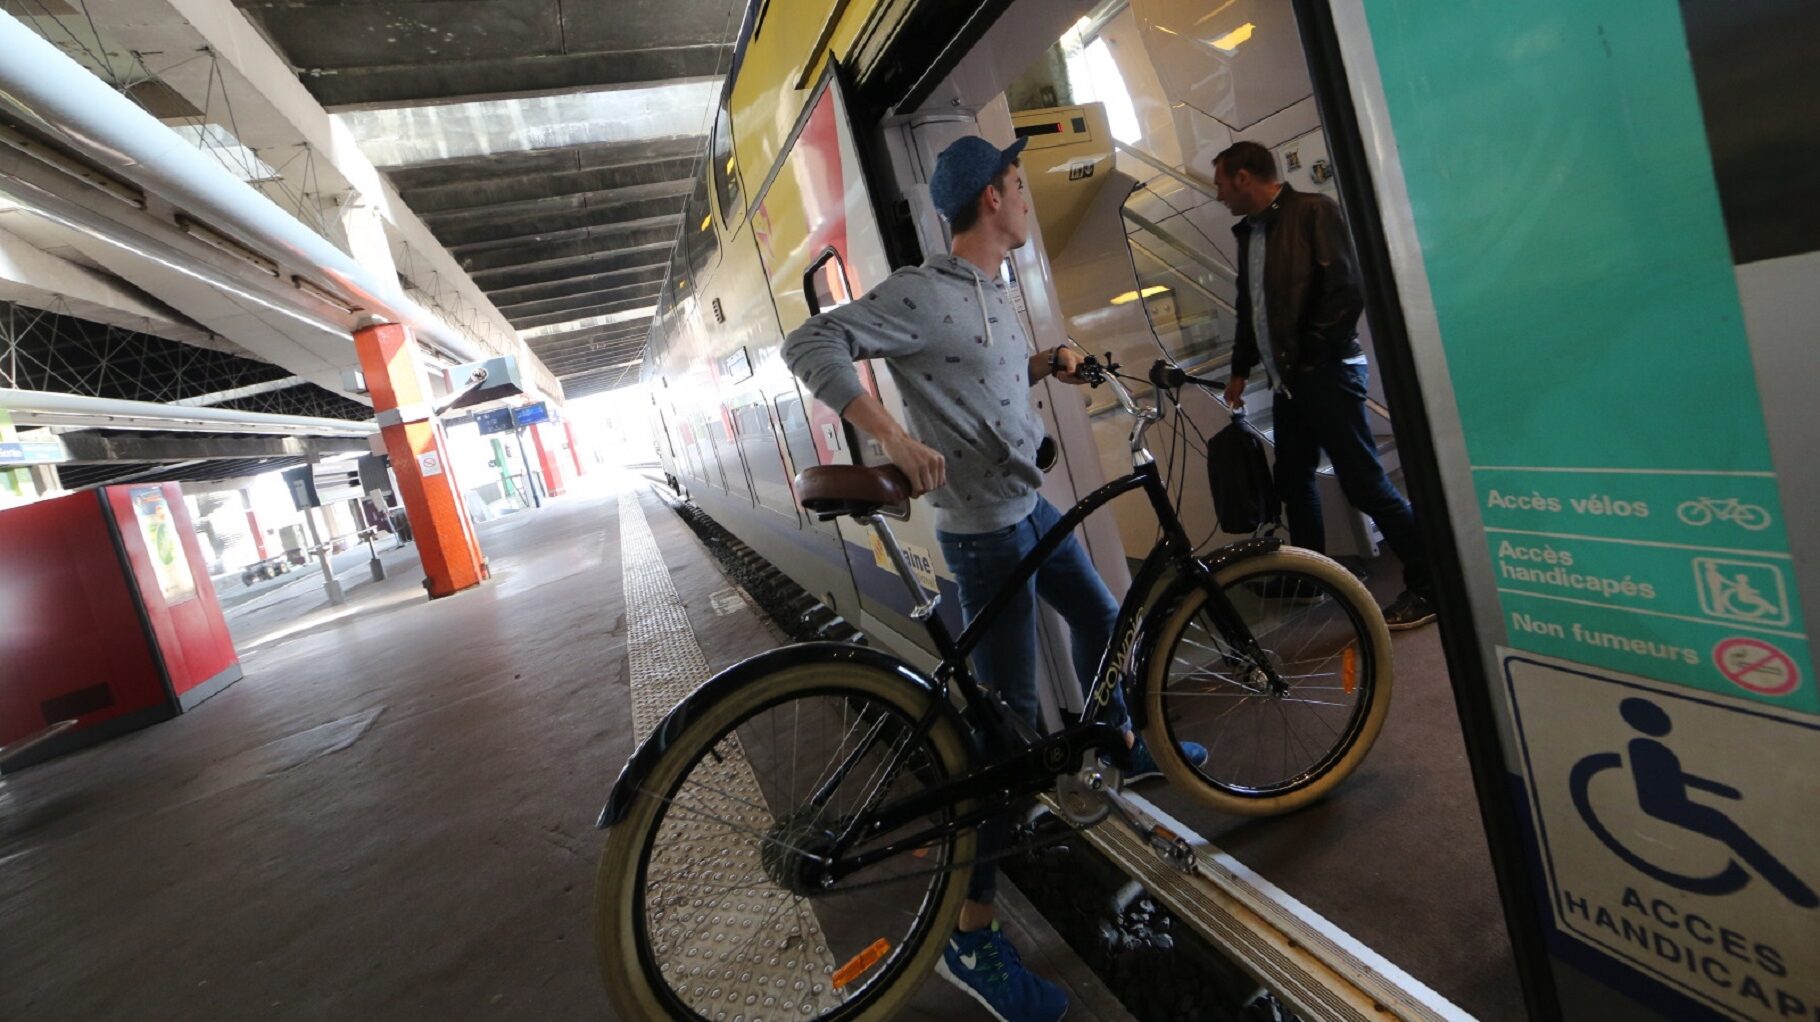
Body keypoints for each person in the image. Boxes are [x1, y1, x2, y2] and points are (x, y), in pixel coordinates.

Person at [783, 134, 1206, 1022]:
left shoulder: (995, 294)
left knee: (1102, 617)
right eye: (1017, 184)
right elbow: (810, 341)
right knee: (1004, 758)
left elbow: (985, 371)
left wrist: (1046, 363)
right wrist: (891, 437)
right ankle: (972, 939)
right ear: (990, 199)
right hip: (982, 537)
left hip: (1027, 512)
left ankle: (1119, 747)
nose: (1025, 197)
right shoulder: (923, 294)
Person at [1212, 140, 1436, 629]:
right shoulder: (1250, 233)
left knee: (1364, 484)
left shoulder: (1313, 211)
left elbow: (1346, 290)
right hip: (1290, 380)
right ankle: (1314, 577)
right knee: (1293, 480)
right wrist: (1238, 368)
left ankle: (1431, 582)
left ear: (1245, 176)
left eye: (1222, 183)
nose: (1219, 194)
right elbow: (1252, 309)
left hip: (1327, 371)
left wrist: (1309, 355)